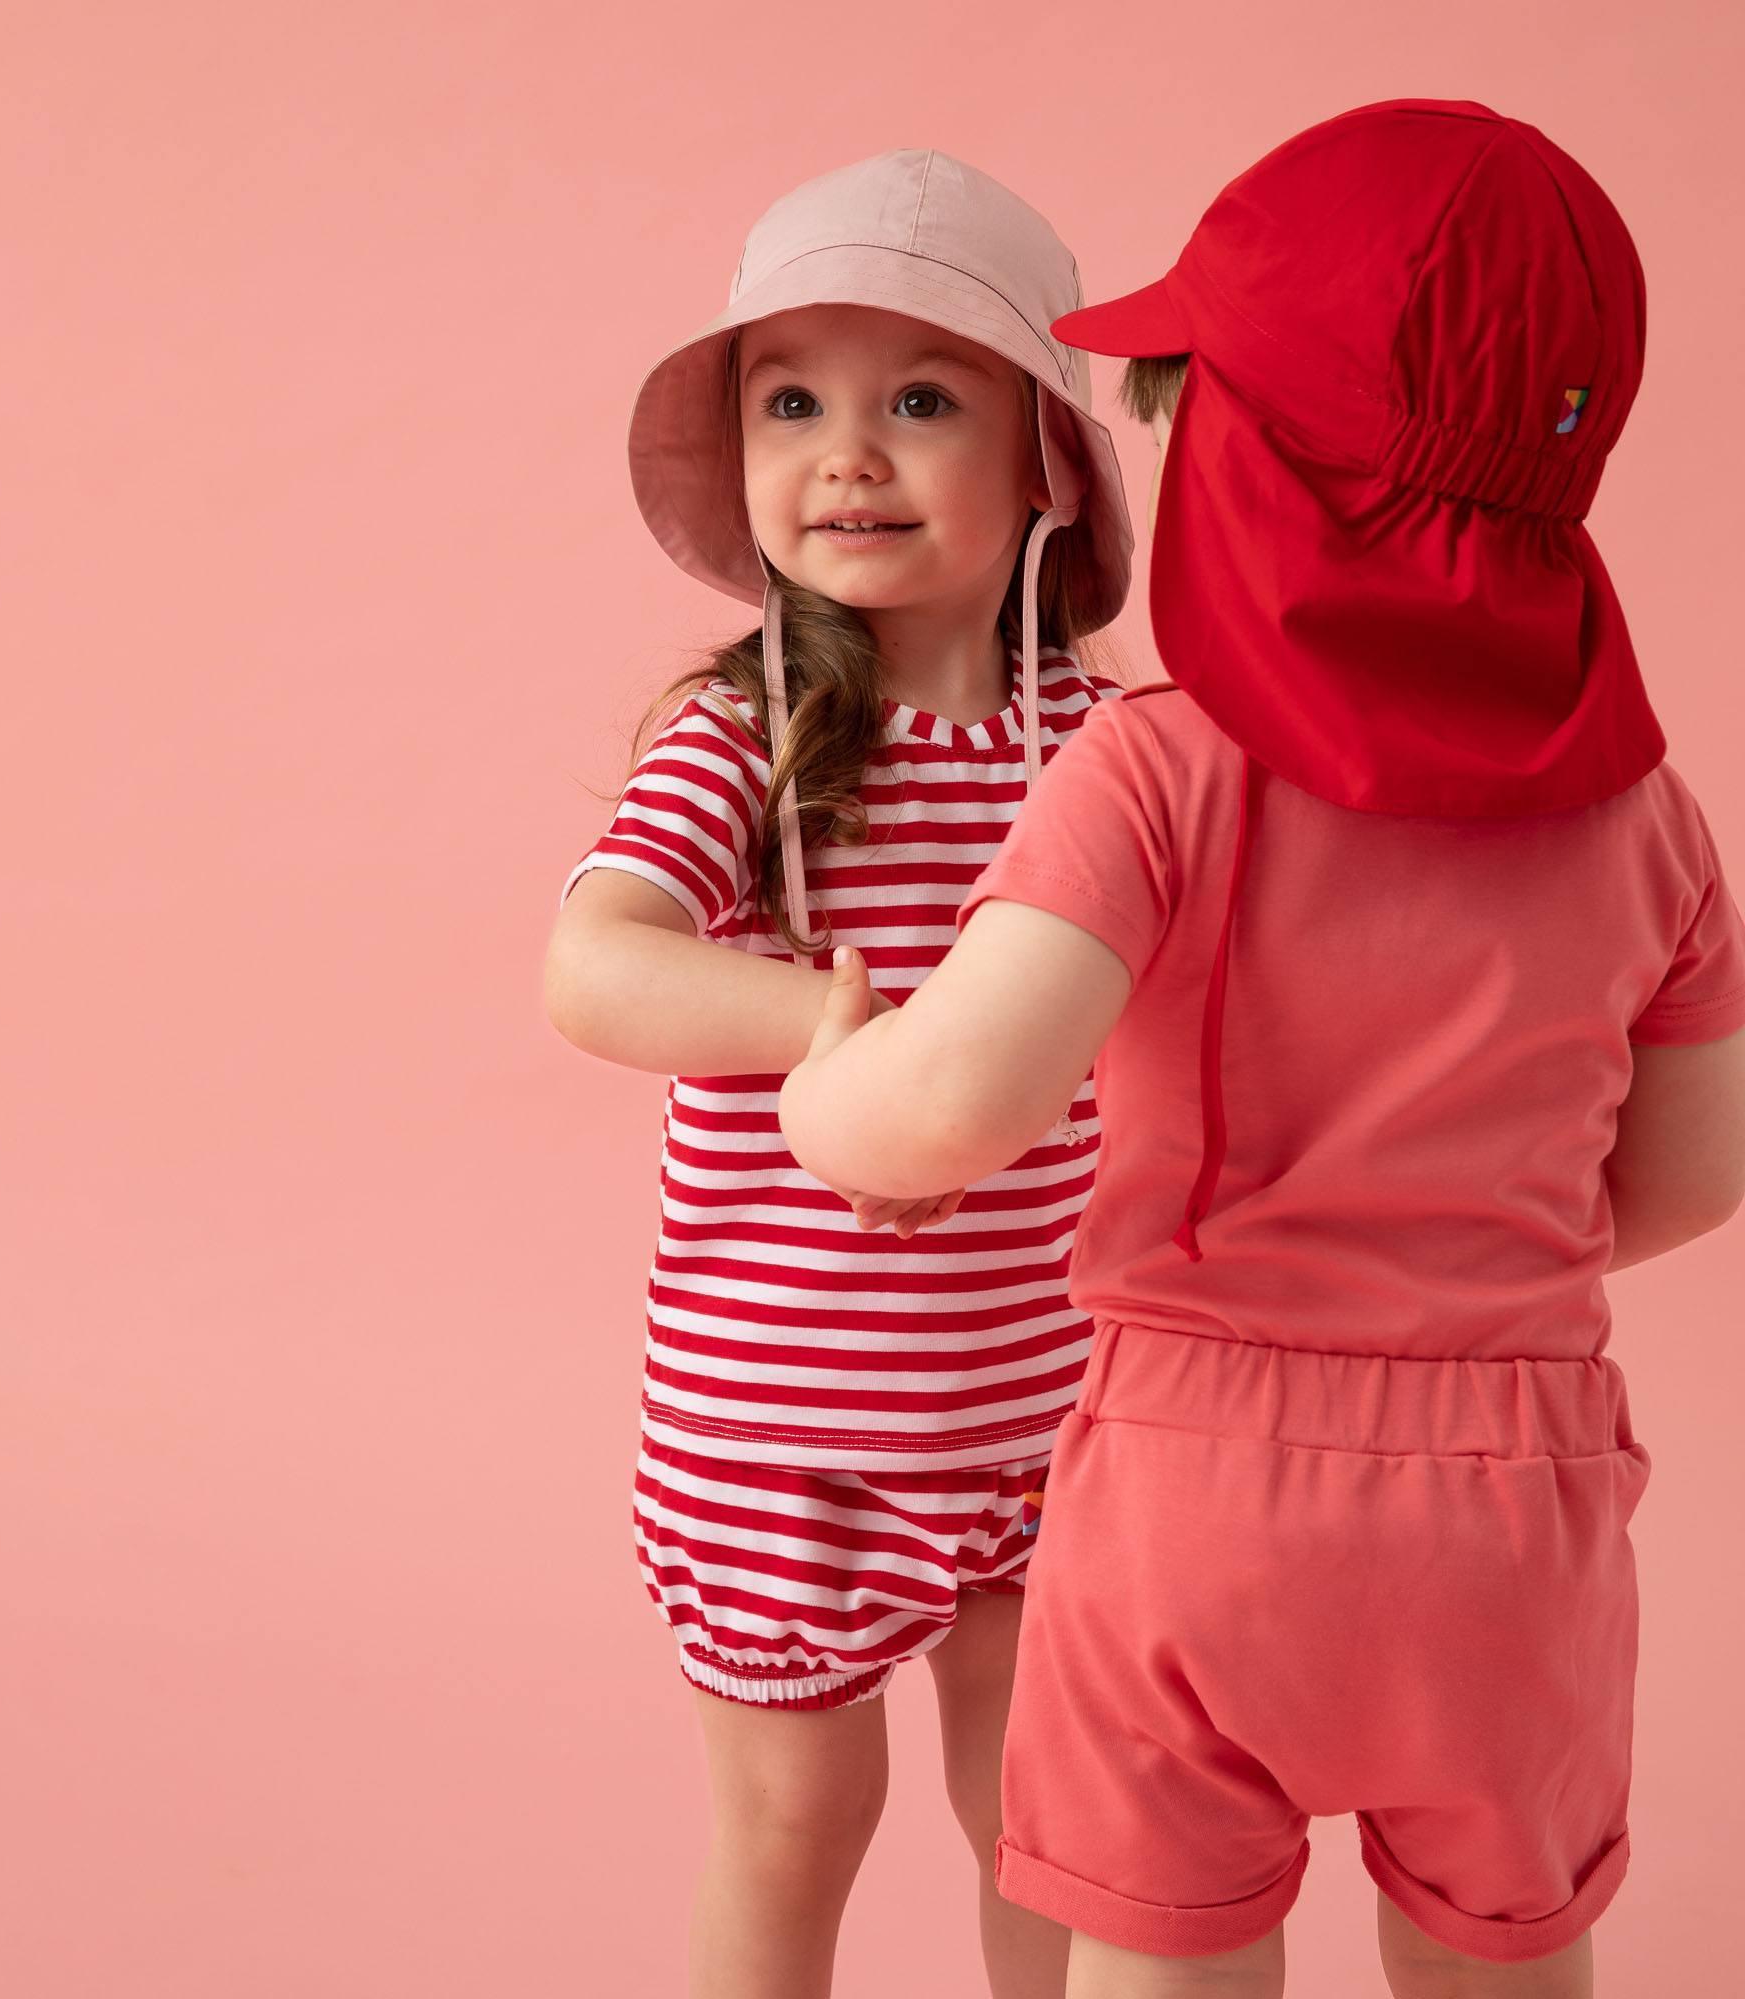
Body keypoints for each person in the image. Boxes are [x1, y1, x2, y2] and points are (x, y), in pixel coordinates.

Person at [777, 100, 1745, 1999]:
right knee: (1510, 1958)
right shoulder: (1648, 819)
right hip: (1514, 1497)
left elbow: (951, 1107)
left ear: (1248, 455)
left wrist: (828, 1080)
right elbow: (1697, 1171)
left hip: (1198, 1493)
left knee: (1160, 1957)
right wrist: (1469, 1254)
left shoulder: (1155, 769)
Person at [544, 150, 1136, 1997]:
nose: (846, 451)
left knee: (1051, 1819)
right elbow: (594, 962)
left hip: (1046, 1404)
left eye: (922, 399)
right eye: (790, 399)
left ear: (1047, 458)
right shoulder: (754, 734)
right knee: (798, 1829)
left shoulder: (1114, 749)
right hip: (780, 1437)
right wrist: (833, 1035)